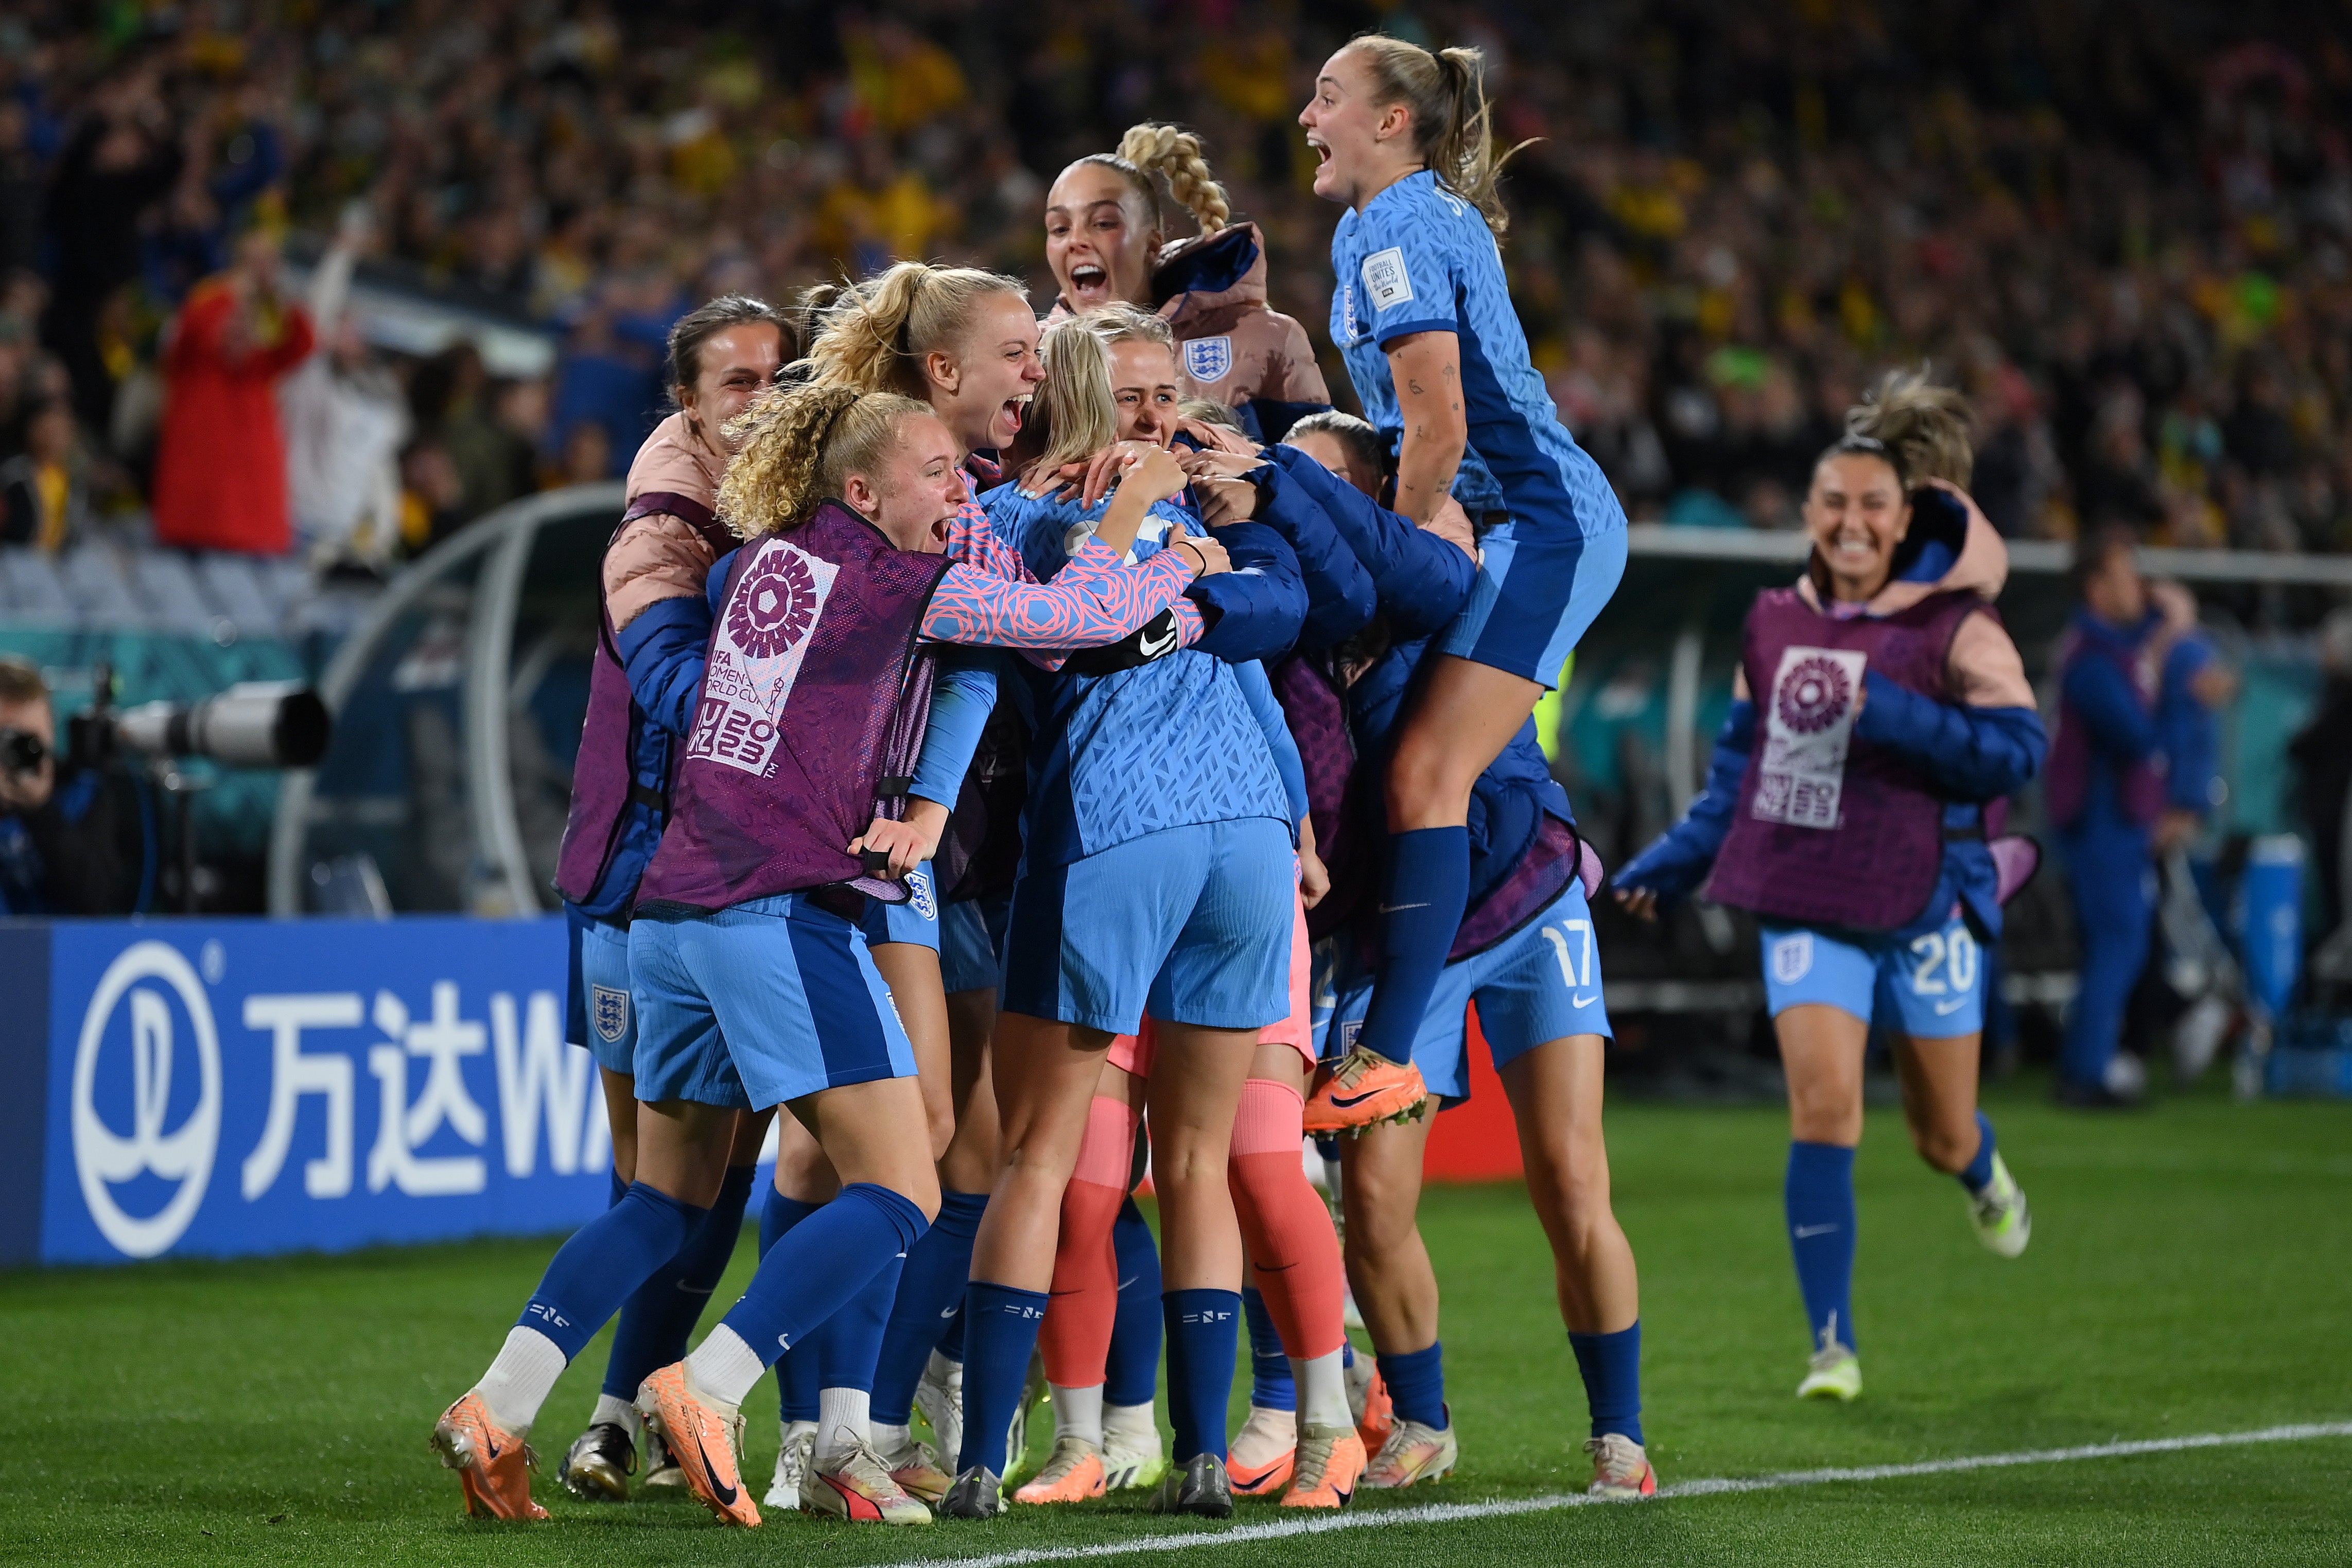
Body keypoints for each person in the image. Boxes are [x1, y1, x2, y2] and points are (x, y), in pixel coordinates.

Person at [429, 382, 1225, 1528]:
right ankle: (708, 1385)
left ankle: (498, 1408)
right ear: (860, 491)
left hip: (675, 914)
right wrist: (1167, 547)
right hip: (778, 909)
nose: (961, 490)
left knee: (665, 1196)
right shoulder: (889, 580)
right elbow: (1068, 623)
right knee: (902, 1184)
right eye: (935, 472)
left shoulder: (763, 561)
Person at [1189, 407, 1656, 1499]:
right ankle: (1425, 1419)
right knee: (1378, 1201)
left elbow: (1418, 575)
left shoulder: (1452, 571)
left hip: (1527, 898)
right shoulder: (1295, 617)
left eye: (1310, 483)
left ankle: (1619, 1435)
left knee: (1571, 1174)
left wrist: (1280, 476)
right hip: (1400, 935)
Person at [944, 305, 1310, 1521]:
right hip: (1245, 844)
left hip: (1123, 833)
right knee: (1195, 1162)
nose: (1154, 420)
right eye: (1131, 397)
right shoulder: (1178, 526)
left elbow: (1053, 644)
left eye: (1164, 396)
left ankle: (982, 1462)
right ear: (1068, 402)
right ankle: (1197, 1451)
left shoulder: (1014, 518)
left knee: (1035, 1154)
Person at [1614, 377, 2044, 1403]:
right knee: (1822, 1108)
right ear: (1810, 513)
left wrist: (1887, 711)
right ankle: (1830, 1345)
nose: (1853, 522)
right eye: (1835, 504)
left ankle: (1979, 1167)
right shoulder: (1774, 626)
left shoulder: (1958, 625)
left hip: (1925, 895)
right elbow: (1740, 767)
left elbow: (2015, 753)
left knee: (1939, 1129)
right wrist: (1674, 859)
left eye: (1876, 504)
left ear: (1909, 515)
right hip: (1811, 892)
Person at [1297, 37, 1630, 1134]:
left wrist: (1387, 569)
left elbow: (1436, 422)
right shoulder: (1373, 224)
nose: (1307, 116)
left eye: (1329, 98)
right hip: (1504, 521)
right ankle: (1400, 1027)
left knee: (1429, 771)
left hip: (1541, 524)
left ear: (1392, 121)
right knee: (1419, 764)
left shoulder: (1394, 222)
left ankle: (1388, 1053)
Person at [546, 295, 788, 1506]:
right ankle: (586, 1407)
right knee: (657, 1178)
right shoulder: (665, 527)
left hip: (684, 882)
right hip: (643, 886)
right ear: (686, 404)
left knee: (699, 1181)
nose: (761, 398)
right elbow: (677, 695)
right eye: (735, 383)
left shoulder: (776, 504)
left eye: (776, 376)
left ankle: (610, 1419)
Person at [1043, 122, 1331, 442]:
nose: (1076, 241)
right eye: (1059, 228)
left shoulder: (1266, 340)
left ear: (1153, 244)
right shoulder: (1033, 359)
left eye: (1103, 223)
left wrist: (1223, 462)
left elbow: (1320, 477)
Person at [2045, 525, 2199, 1107]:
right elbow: (2138, 735)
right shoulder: (2092, 661)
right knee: (2118, 942)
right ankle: (2086, 1071)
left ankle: (2090, 1065)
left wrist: (2165, 630)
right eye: (2124, 575)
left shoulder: (2105, 651)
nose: (2138, 586)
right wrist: (2179, 687)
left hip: (2113, 821)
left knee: (2121, 944)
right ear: (2095, 587)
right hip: (2102, 822)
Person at [151, 223, 316, 554]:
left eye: (269, 261)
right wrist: (233, 294)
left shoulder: (267, 337)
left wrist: (276, 293)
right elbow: (183, 342)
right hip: (198, 489)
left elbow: (302, 344)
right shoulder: (206, 309)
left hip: (253, 494)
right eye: (256, 261)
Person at [0, 657, 142, 916]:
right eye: (6, 740)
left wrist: (40, 809)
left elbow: (98, 901)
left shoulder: (82, 794)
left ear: (51, 732)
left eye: (30, 742)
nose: (16, 755)